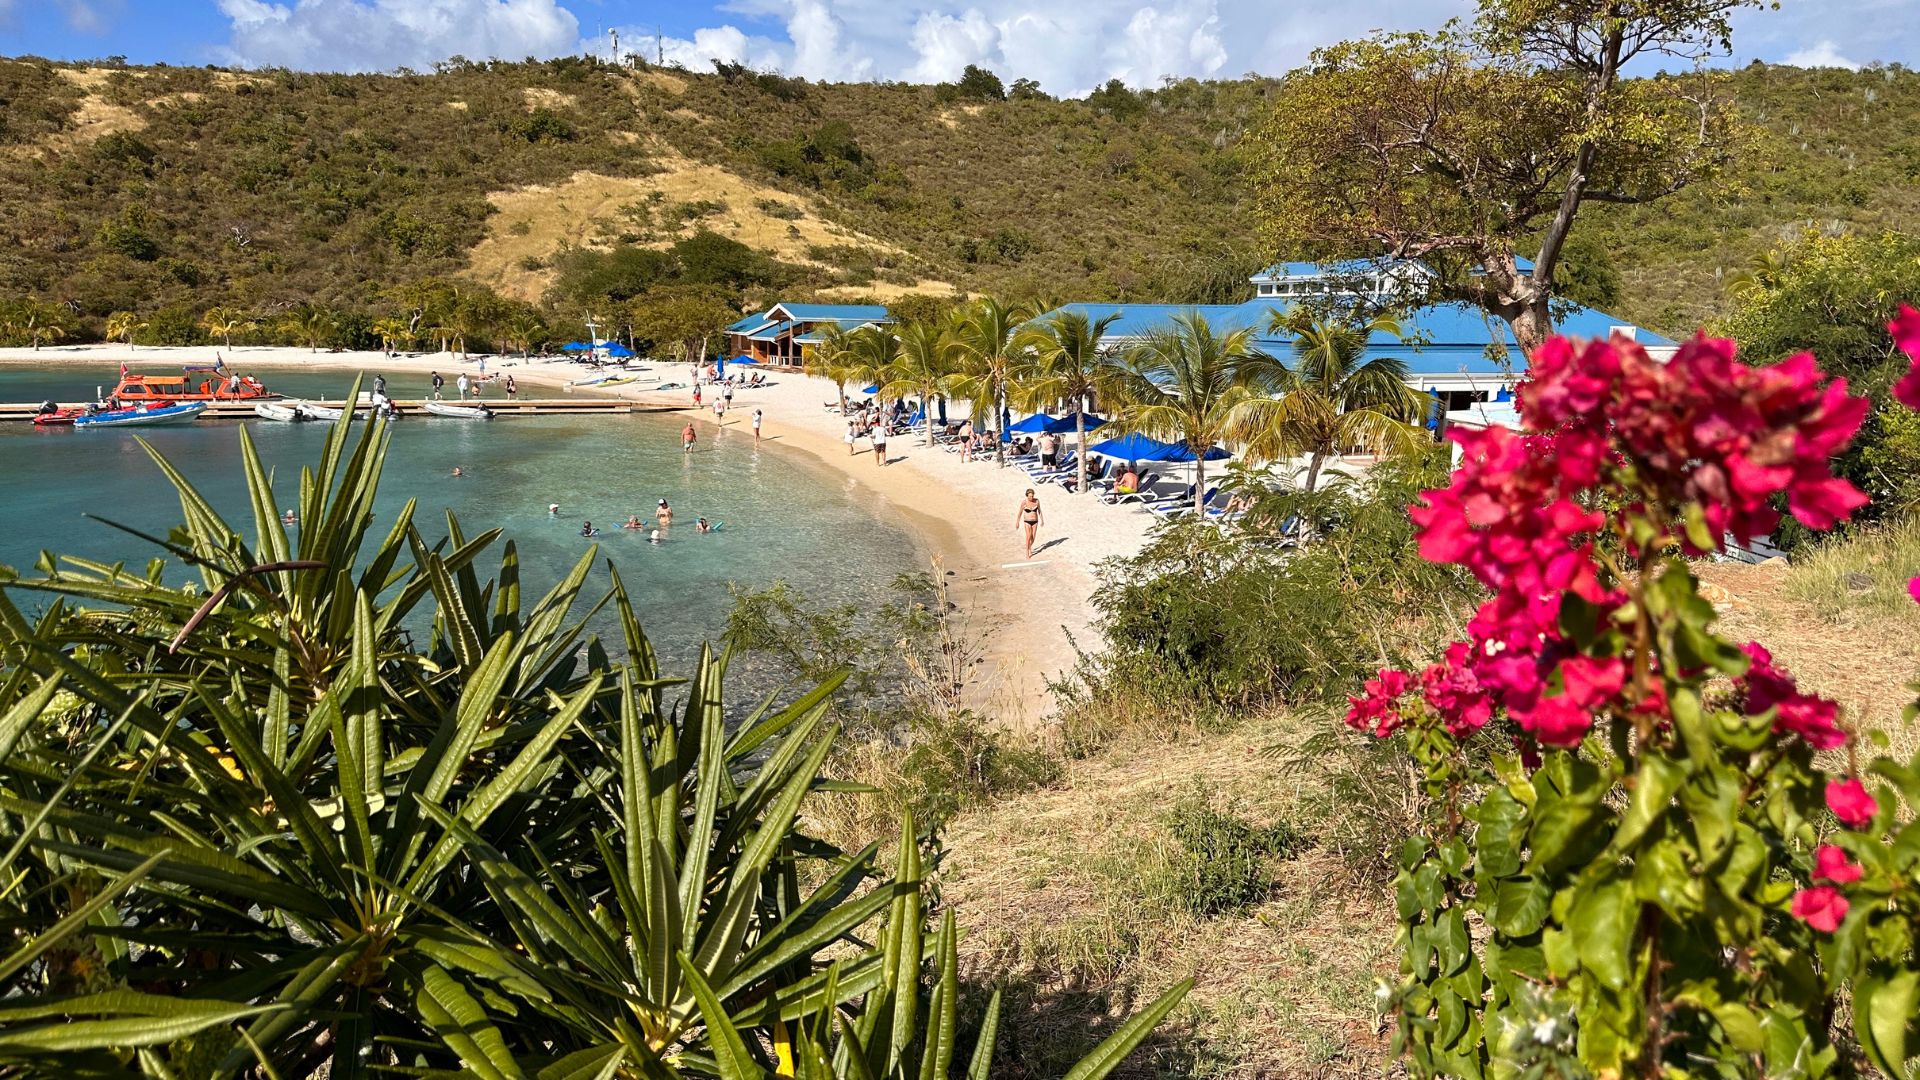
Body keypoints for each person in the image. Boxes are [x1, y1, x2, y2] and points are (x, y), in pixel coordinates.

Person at [1016, 488, 1044, 560]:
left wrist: (1042, 520)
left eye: (1032, 496)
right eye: (1029, 496)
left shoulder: (1037, 501)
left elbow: (1039, 511)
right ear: (1027, 496)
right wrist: (1017, 522)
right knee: (1028, 537)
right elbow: (1020, 512)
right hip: (1027, 521)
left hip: (1035, 521)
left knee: (1033, 538)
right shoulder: (1024, 502)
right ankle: (1027, 552)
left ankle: (1029, 547)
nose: (1031, 498)